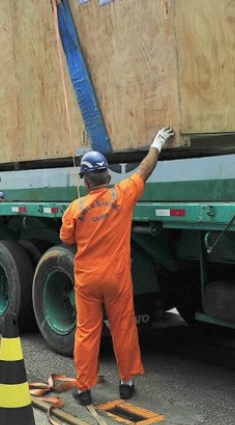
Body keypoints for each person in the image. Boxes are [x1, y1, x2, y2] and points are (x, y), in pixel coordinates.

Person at [60, 127, 175, 404]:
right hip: (116, 278)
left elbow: (67, 239)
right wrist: (157, 143)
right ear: (108, 176)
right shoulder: (121, 195)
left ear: (85, 180)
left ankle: (84, 389)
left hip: (87, 281)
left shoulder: (74, 208)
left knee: (87, 332)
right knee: (123, 327)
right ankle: (126, 382)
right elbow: (144, 171)